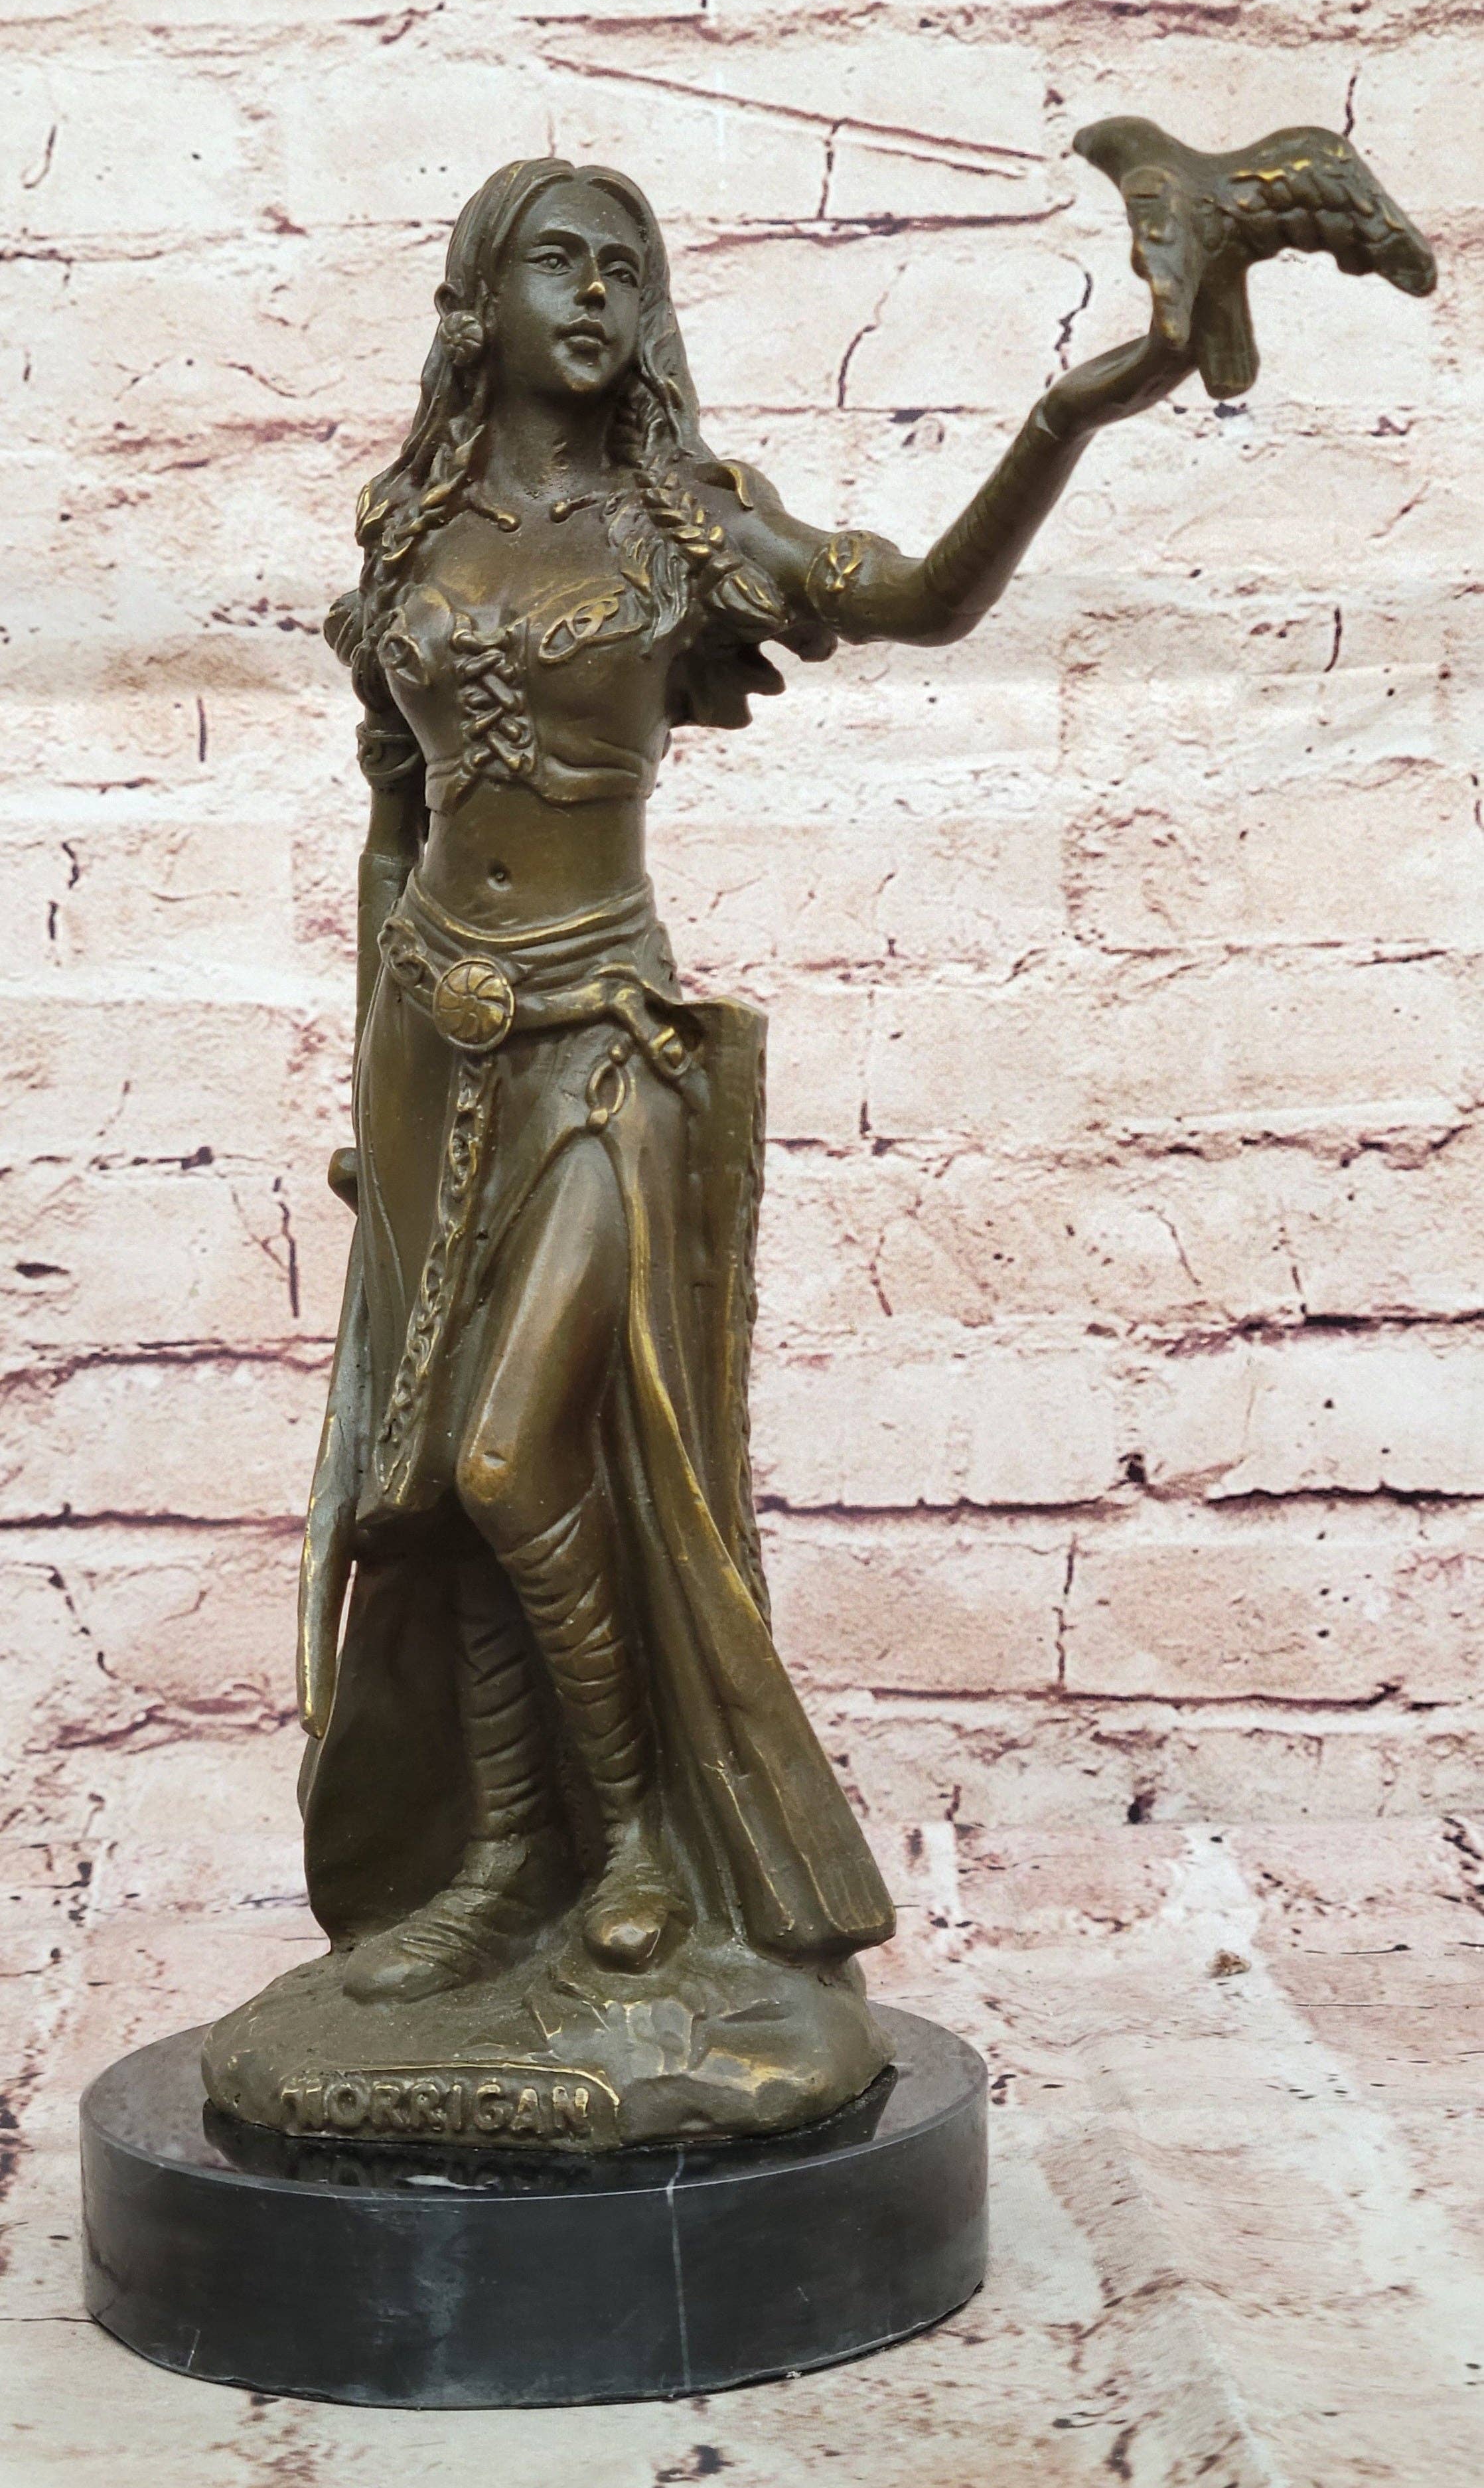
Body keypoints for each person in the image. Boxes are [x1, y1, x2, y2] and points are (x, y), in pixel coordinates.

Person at [295, 155, 1191, 2011]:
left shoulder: (685, 530)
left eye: (627, 269)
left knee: (511, 1456)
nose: (596, 294)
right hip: (432, 1052)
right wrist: (368, 1085)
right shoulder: (410, 535)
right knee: (433, 1488)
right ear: (477, 301)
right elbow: (393, 823)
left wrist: (1069, 413)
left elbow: (922, 597)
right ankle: (500, 1865)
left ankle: (636, 1841)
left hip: (601, 1042)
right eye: (559, 262)